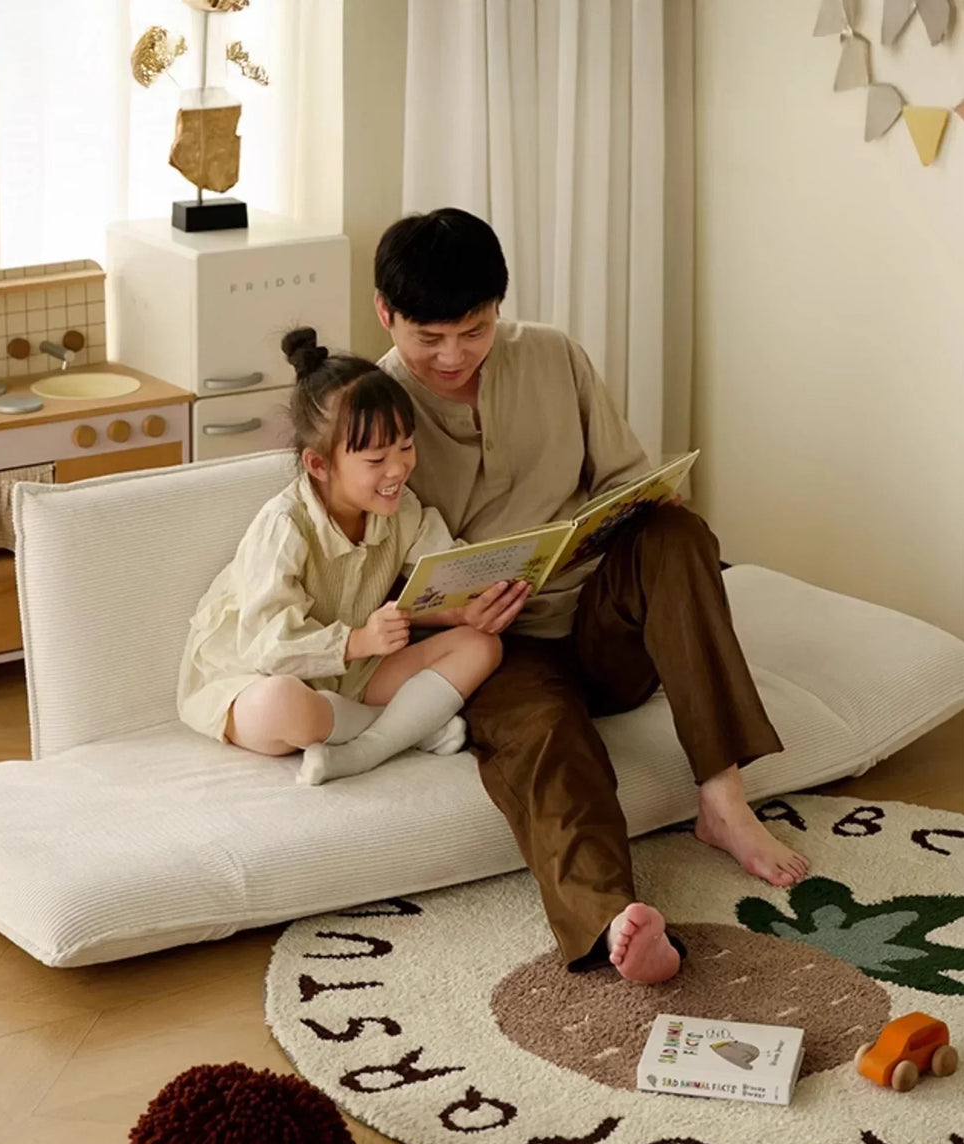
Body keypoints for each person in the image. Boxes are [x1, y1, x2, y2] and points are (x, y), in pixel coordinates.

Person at [373, 208, 809, 985]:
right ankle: (615, 921)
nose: (451, 356)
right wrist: (451, 613)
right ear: (386, 315)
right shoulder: (374, 414)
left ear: (498, 309)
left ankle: (723, 801)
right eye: (427, 338)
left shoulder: (552, 356)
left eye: (472, 332)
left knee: (681, 538)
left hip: (606, 627)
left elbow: (618, 475)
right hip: (494, 651)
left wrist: (644, 504)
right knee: (543, 734)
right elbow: (374, 572)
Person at [177, 327, 529, 786]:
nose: (398, 468)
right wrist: (358, 641)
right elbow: (268, 645)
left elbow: (447, 571)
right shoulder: (284, 525)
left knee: (481, 646)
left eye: (405, 447)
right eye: (376, 459)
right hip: (254, 675)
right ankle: (403, 728)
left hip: (352, 675)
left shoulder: (401, 511)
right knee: (281, 705)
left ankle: (367, 746)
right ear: (320, 465)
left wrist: (468, 606)